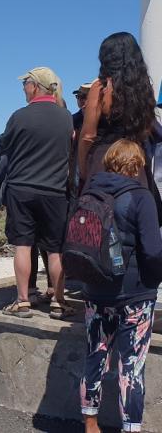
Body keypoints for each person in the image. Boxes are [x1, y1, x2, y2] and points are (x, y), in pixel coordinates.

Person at [80, 139, 162, 433]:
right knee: (132, 366)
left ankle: (91, 424)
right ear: (137, 165)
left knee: (95, 356)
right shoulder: (141, 197)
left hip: (95, 290)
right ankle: (130, 428)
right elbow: (153, 250)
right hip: (135, 293)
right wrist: (152, 282)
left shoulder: (89, 191)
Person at [0, 67, 73, 319]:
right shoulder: (66, 118)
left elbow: (2, 145)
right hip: (55, 191)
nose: (23, 87)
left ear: (36, 86)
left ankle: (22, 301)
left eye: (25, 83)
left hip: (22, 189)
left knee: (22, 245)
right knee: (55, 249)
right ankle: (58, 303)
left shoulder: (19, 116)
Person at [78, 32, 156, 193]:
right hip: (135, 163)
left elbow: (88, 135)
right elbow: (147, 129)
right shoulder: (144, 89)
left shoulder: (100, 88)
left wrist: (83, 169)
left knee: (97, 214)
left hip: (104, 161)